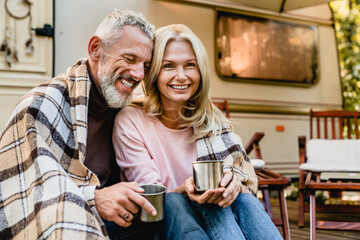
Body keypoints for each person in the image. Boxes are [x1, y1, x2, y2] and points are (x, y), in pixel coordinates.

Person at [0, 10, 162, 240]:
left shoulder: (128, 113)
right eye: (129, 59)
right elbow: (24, 196)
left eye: (145, 65)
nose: (138, 74)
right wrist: (93, 197)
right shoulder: (40, 105)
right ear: (96, 48)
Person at [113, 24, 283, 240]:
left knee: (244, 199)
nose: (181, 76)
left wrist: (233, 184)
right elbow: (153, 201)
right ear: (154, 71)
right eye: (169, 66)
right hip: (164, 223)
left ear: (200, 71)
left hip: (218, 215)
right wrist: (189, 189)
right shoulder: (131, 121)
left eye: (190, 65)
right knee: (186, 202)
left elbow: (247, 180)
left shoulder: (212, 120)